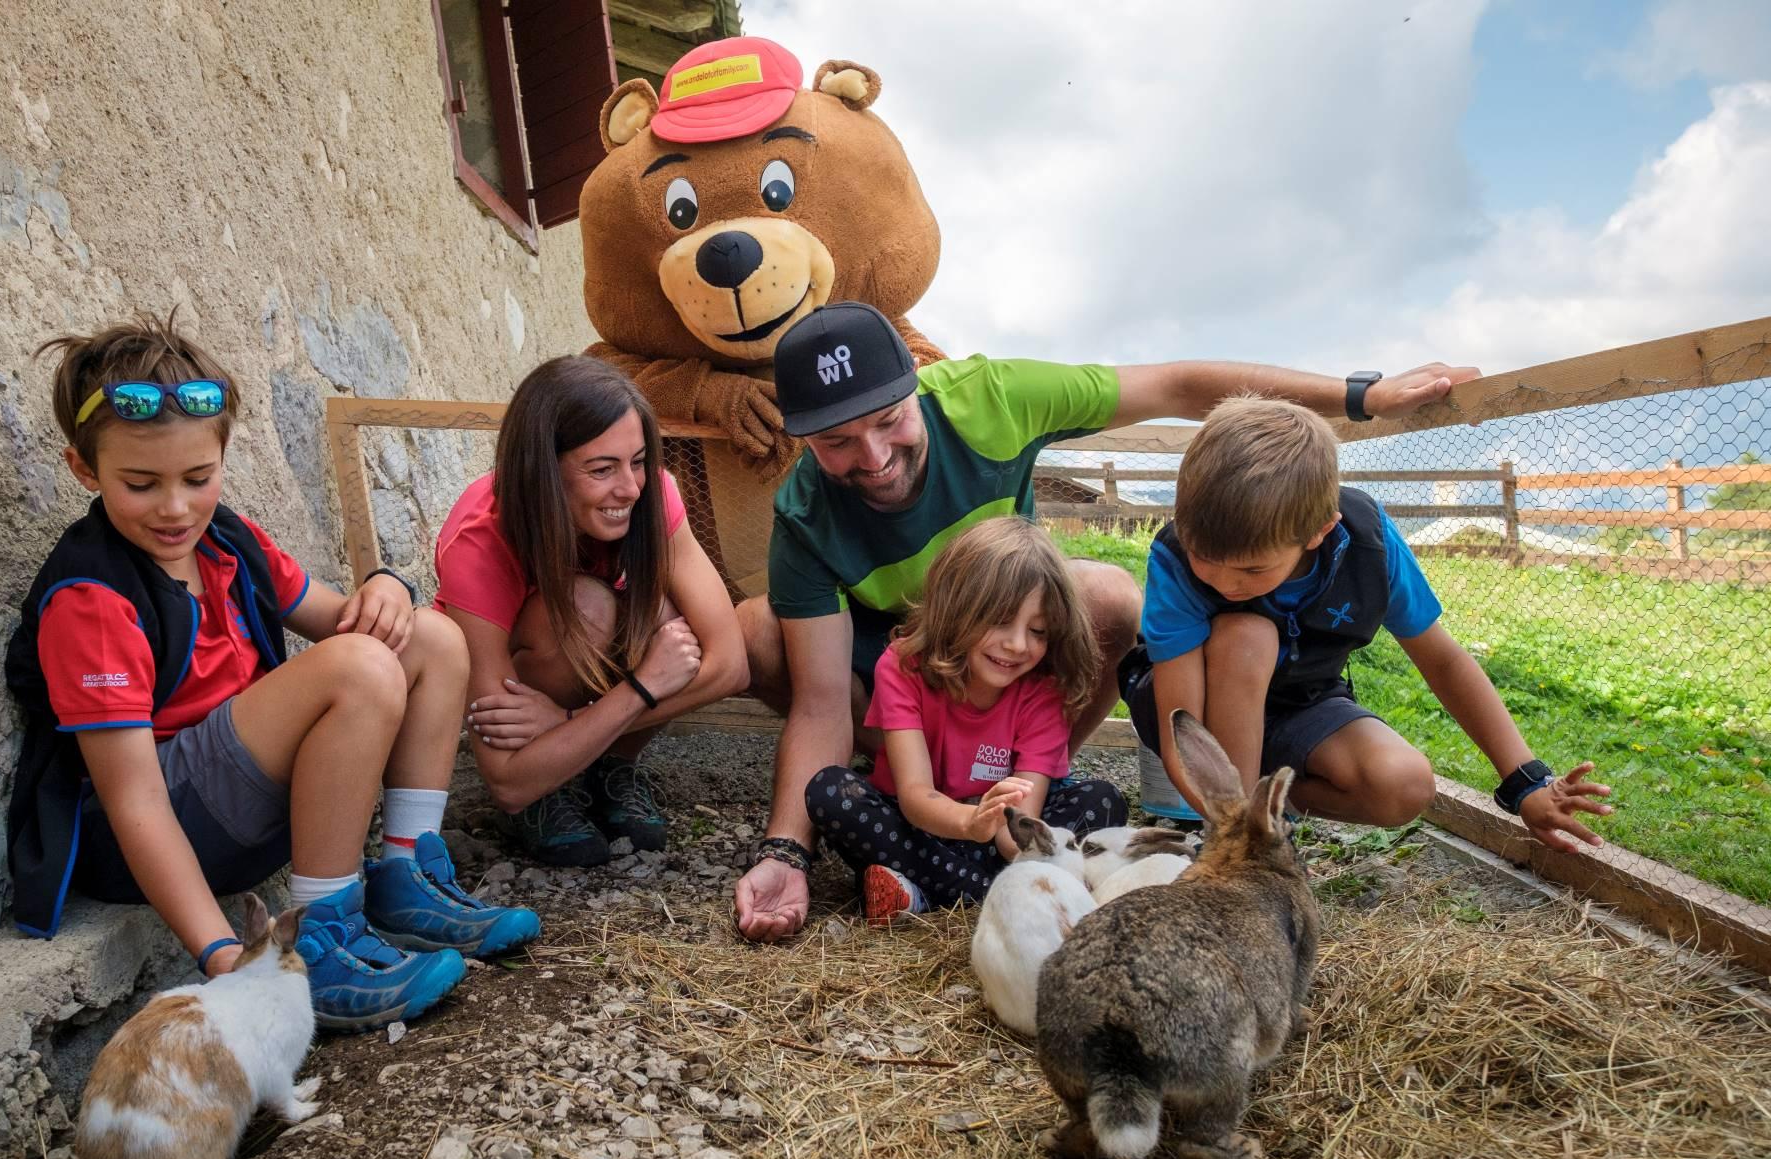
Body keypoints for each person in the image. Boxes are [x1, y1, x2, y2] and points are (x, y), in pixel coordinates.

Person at [734, 301, 1478, 941]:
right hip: (905, 681)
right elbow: (824, 698)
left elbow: (1178, 384)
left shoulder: (992, 398)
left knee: (1111, 601)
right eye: (836, 442)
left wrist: (1362, 395)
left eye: (890, 420)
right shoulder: (804, 514)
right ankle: (936, 807)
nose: (874, 458)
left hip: (1003, 663)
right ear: (804, 439)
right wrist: (785, 852)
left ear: (917, 389)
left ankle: (1028, 794)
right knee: (762, 633)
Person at [5, 313, 537, 1033]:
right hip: (149, 833)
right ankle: (315, 940)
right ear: (84, 468)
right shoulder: (93, 599)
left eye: (198, 477)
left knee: (432, 637)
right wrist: (222, 951)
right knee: (359, 669)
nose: (175, 507)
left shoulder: (226, 536)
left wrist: (384, 586)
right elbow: (132, 801)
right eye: (140, 483)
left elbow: (340, 616)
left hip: (235, 800)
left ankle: (406, 876)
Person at [1126, 395, 1613, 849]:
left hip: (1303, 701)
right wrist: (1236, 830)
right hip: (1202, 708)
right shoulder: (1173, 559)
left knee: (1403, 784)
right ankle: (1243, 833)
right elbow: (1178, 728)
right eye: (1203, 558)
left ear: (1320, 531)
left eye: (1253, 570)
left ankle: (1272, 810)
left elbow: (1443, 659)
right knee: (1247, 634)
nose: (1224, 584)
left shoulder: (1367, 543)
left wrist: (1524, 779)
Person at [440, 355, 747, 865]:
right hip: (536, 696)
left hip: (573, 709)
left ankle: (609, 767)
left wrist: (569, 721)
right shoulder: (479, 540)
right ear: (543, 471)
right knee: (586, 607)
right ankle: (551, 791)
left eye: (639, 460)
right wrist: (636, 691)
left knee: (670, 614)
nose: (629, 488)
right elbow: (507, 781)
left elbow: (729, 661)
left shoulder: (654, 496)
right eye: (601, 469)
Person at [808, 517, 1128, 922]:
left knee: (1102, 799)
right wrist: (969, 821)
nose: (1017, 645)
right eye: (999, 620)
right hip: (920, 825)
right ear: (957, 608)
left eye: (1038, 631)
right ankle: (996, 893)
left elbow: (1019, 830)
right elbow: (915, 795)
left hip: (997, 838)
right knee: (832, 791)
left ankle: (922, 890)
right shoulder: (904, 666)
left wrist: (1001, 833)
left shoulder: (1045, 689)